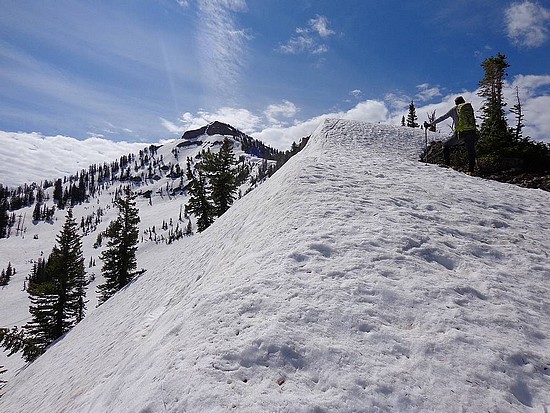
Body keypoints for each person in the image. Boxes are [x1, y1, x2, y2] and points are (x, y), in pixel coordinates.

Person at [428, 96, 477, 174]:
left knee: (445, 145)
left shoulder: (454, 109)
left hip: (460, 133)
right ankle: (471, 170)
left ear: (456, 103)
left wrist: (430, 124)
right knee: (471, 151)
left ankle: (447, 164)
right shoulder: (468, 108)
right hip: (470, 132)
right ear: (463, 101)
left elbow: (442, 117)